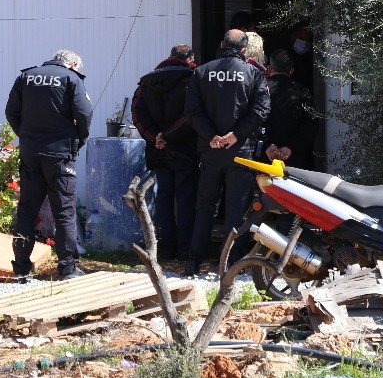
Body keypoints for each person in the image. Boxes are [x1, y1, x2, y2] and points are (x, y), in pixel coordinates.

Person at [184, 29, 271, 275]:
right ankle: (230, 262)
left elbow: (191, 111)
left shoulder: (201, 72)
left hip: (211, 150)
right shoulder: (253, 73)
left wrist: (211, 135)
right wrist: (236, 135)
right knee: (236, 207)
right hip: (240, 150)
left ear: (222, 44)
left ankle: (194, 261)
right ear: (244, 49)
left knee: (205, 206)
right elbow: (262, 109)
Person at [5, 49, 93, 281]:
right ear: (73, 64)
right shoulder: (72, 78)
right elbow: (84, 113)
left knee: (27, 210)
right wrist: (78, 140)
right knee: (64, 211)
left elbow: (11, 112)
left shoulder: (26, 76)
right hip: (60, 154)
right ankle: (68, 268)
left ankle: (21, 268)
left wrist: (26, 137)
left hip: (31, 153)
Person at [131, 44, 199, 260]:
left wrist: (155, 137)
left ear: (170, 57)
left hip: (158, 151)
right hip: (185, 150)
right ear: (190, 59)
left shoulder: (147, 82)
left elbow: (137, 113)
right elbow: (191, 115)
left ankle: (166, 248)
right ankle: (185, 248)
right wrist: (168, 136)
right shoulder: (192, 80)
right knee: (186, 199)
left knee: (164, 198)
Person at [262, 49, 318, 170]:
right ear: (291, 71)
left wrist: (267, 144)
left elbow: (252, 121)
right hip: (294, 160)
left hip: (263, 159)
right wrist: (291, 147)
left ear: (269, 69)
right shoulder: (303, 92)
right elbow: (311, 124)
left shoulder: (260, 91)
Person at [290, 25, 314, 93]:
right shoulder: (285, 57)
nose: (305, 42)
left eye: (307, 40)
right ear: (293, 38)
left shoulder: (312, 60)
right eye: (301, 38)